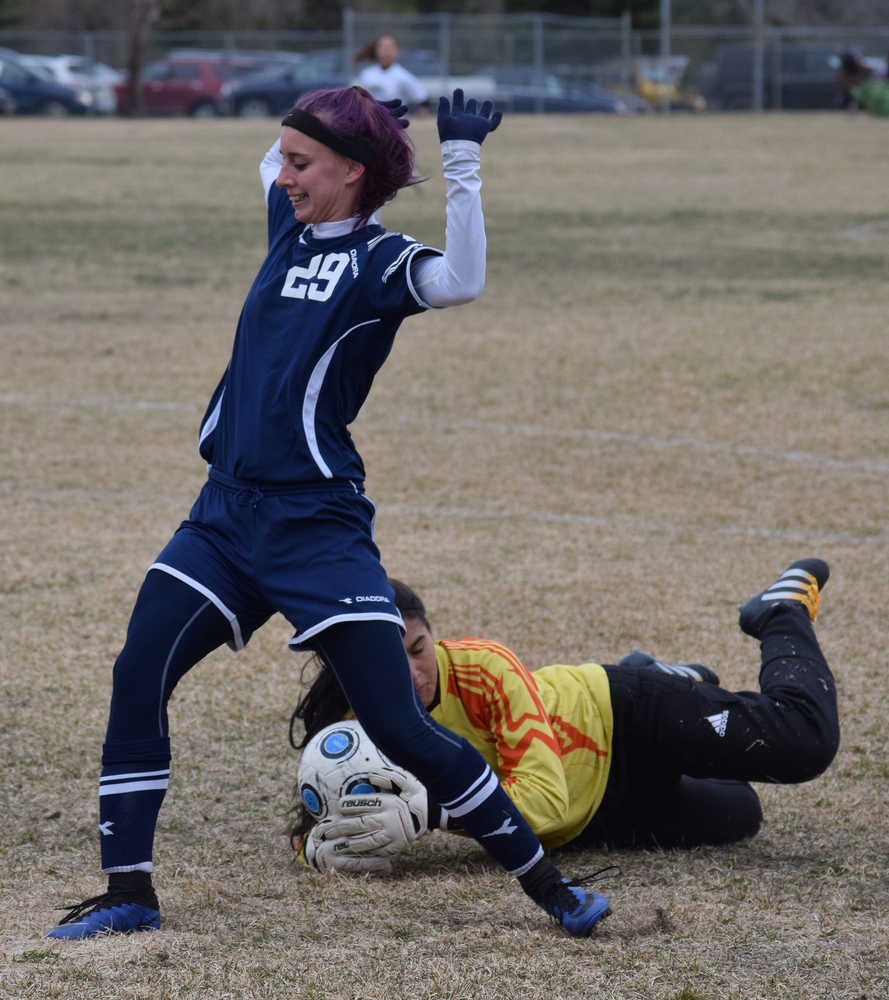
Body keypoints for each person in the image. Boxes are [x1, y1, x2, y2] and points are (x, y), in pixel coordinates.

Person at [45, 86, 613, 941]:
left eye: (304, 163)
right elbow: (272, 159)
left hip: (317, 530)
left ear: (351, 173)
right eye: (286, 160)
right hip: (225, 519)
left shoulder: (378, 263)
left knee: (398, 726)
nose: (285, 175)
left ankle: (553, 892)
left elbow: (462, 280)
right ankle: (130, 893)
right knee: (138, 675)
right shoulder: (288, 228)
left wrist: (461, 164)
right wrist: (338, 108)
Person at [290, 559, 839, 872]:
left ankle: (779, 613)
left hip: (617, 716)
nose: (411, 672)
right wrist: (314, 848)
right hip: (591, 819)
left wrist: (431, 813)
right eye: (390, 659)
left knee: (803, 741)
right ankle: (677, 679)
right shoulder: (350, 714)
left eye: (418, 648)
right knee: (743, 812)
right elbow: (327, 806)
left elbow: (545, 799)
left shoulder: (484, 668)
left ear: (434, 635)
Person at [354, 35, 428, 111]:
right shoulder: (366, 74)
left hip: (395, 120)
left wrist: (422, 111)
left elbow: (421, 98)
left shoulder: (403, 75)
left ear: (396, 52)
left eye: (390, 48)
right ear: (376, 51)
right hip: (371, 120)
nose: (386, 51)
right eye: (382, 48)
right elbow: (356, 98)